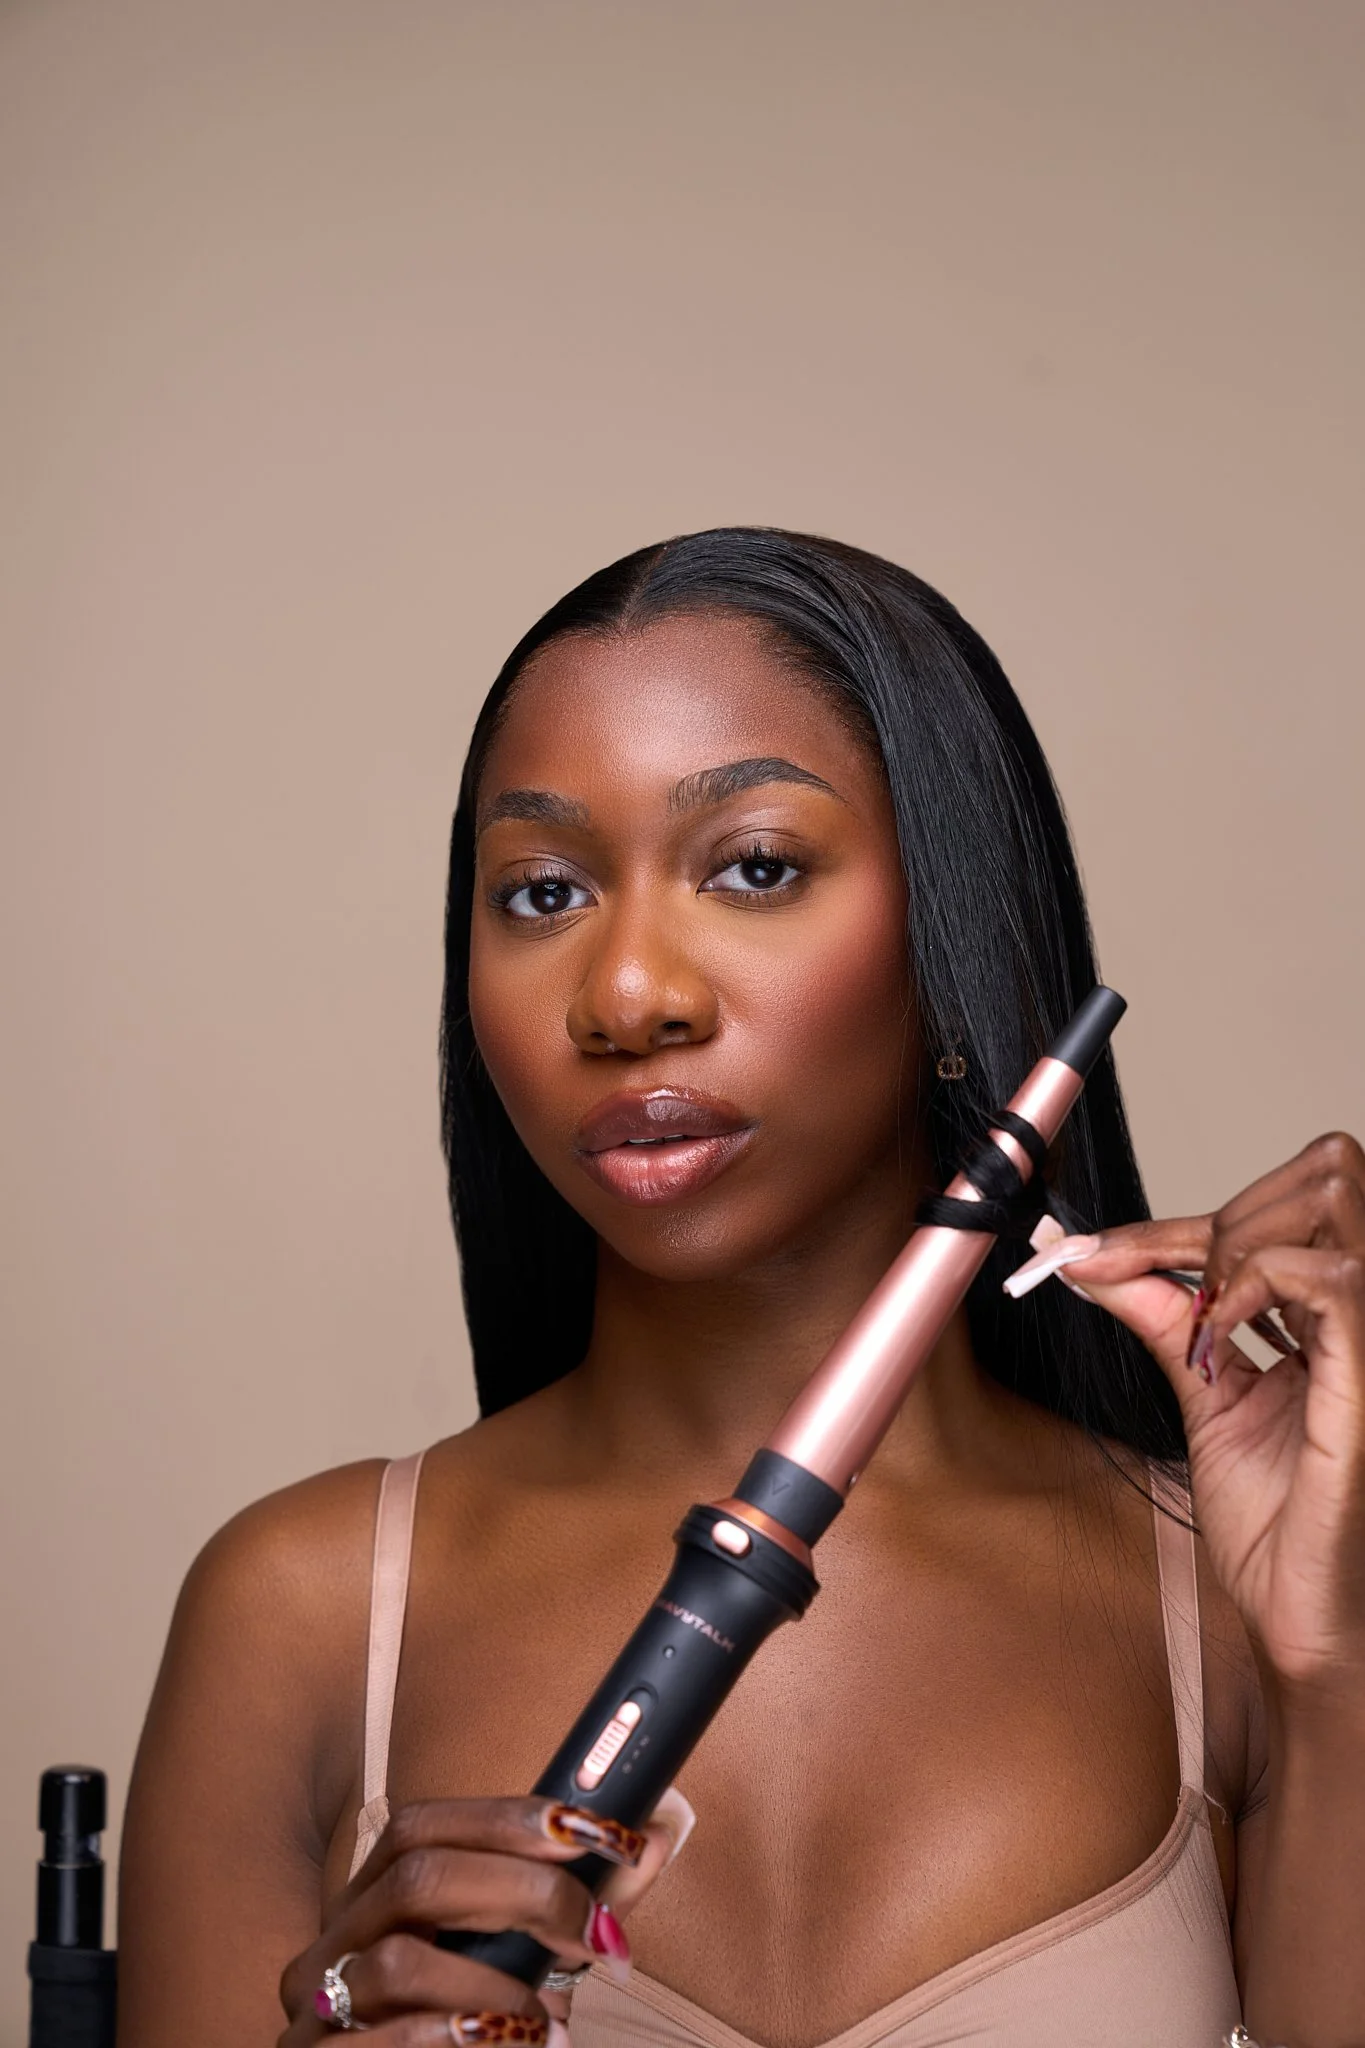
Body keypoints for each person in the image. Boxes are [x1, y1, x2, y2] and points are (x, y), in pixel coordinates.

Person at [117, 531, 1365, 2048]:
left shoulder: (1233, 1614)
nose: (627, 994)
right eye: (542, 892)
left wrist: (1331, 1670)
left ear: (951, 943)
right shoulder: (295, 1615)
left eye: (755, 867)